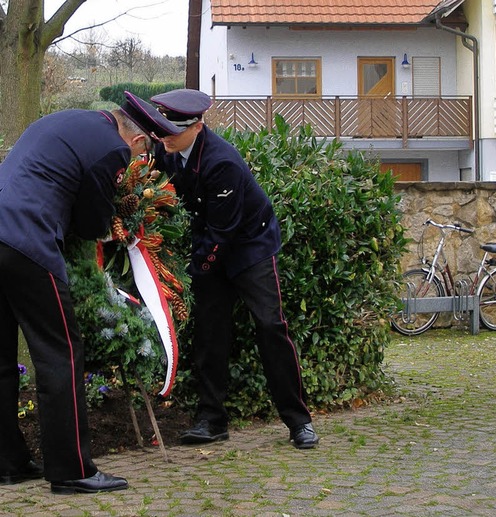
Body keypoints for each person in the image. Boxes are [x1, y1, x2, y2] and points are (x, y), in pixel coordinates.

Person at [0, 92, 182, 493]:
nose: (136, 161)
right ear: (137, 141)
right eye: (142, 154)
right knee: (61, 353)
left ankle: (8, 461)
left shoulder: (67, 119)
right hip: (26, 242)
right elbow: (91, 223)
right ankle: (71, 470)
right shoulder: (112, 150)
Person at [150, 88, 319, 449]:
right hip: (211, 240)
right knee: (210, 332)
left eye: (172, 132)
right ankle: (211, 420)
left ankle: (298, 421)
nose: (164, 138)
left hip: (249, 247)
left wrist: (196, 271)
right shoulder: (167, 151)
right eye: (162, 131)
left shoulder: (221, 162)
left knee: (270, 327)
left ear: (197, 127)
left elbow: (224, 232)